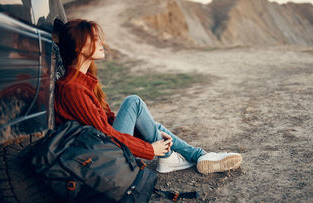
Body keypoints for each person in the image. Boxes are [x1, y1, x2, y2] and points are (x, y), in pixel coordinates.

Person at [54, 19, 242, 174]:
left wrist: (144, 133)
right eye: (94, 39)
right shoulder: (72, 89)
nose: (101, 43)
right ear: (79, 48)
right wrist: (149, 149)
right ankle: (179, 157)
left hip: (103, 147)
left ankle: (198, 156)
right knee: (133, 102)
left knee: (153, 127)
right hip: (100, 157)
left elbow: (107, 121)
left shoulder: (82, 82)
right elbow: (106, 134)